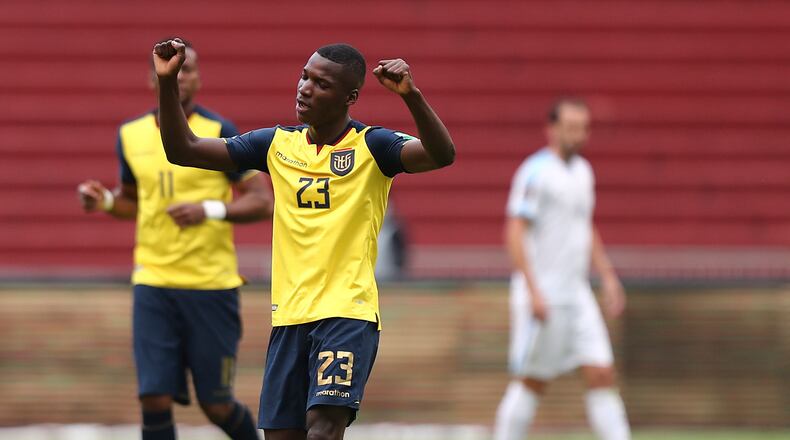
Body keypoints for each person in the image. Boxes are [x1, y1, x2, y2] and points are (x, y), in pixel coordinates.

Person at [152, 38, 455, 440]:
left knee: (322, 431)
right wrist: (167, 82)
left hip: (347, 313)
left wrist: (411, 96)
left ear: (349, 97)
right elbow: (183, 149)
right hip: (289, 317)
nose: (305, 88)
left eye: (321, 84)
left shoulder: (372, 146)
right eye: (304, 76)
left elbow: (441, 154)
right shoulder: (277, 144)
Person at [77, 39, 272, 440]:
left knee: (216, 404)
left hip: (210, 284)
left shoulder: (219, 132)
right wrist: (107, 201)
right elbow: (133, 201)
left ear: (199, 79)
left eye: (189, 69)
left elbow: (262, 201)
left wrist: (210, 209)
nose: (180, 76)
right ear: (153, 78)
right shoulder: (130, 135)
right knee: (153, 396)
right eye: (172, 69)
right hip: (154, 281)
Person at [493, 98, 631, 440]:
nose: (578, 135)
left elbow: (584, 228)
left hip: (577, 294)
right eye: (570, 128)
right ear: (552, 129)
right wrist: (533, 289)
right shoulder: (535, 172)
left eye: (583, 128)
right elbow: (514, 232)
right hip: (545, 295)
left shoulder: (584, 172)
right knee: (533, 380)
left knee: (601, 373)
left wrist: (608, 276)